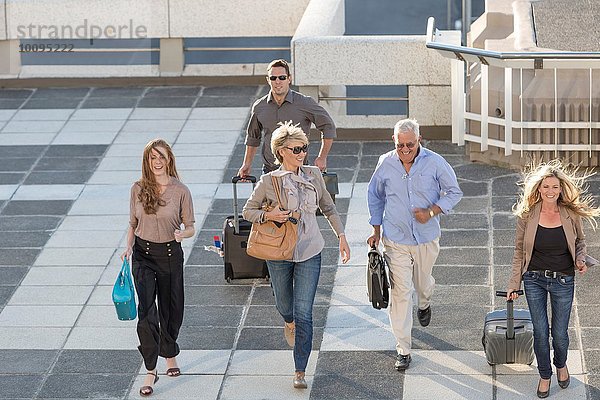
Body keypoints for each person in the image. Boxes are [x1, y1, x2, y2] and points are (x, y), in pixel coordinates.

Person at [243, 121, 350, 389]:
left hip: (310, 250)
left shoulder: (314, 175)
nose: (302, 153)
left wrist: (342, 236)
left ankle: (300, 369)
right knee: (285, 306)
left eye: (304, 148)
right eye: (296, 149)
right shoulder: (269, 181)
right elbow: (248, 211)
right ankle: (287, 322)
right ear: (281, 152)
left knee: (305, 311)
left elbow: (328, 207)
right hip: (279, 253)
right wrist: (270, 215)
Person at [366, 118, 462, 371]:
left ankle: (425, 303)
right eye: (400, 145)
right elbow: (375, 195)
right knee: (400, 293)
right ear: (394, 142)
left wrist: (431, 211)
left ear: (419, 140)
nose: (405, 150)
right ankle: (403, 349)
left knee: (423, 284)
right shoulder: (385, 163)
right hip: (395, 239)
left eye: (410, 144)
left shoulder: (435, 162)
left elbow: (454, 192)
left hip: (426, 238)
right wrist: (375, 230)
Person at [506, 159, 599, 398]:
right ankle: (545, 374)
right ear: (538, 189)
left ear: (561, 189)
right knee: (539, 331)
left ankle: (561, 363)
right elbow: (519, 251)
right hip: (534, 278)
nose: (550, 191)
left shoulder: (569, 213)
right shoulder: (527, 215)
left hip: (564, 280)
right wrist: (514, 284)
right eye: (546, 186)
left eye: (555, 187)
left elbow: (580, 242)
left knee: (559, 333)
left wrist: (580, 259)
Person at [120, 139, 195, 397]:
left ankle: (170, 352)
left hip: (171, 254)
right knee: (147, 311)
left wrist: (182, 234)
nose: (158, 162)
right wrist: (128, 247)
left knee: (172, 310)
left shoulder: (181, 190)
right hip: (142, 255)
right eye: (153, 157)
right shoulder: (138, 188)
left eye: (161, 156)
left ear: (169, 159)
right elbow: (132, 223)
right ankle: (150, 368)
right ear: (147, 161)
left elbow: (191, 226)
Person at [237, 59, 336, 176]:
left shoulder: (305, 103)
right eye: (273, 78)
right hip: (270, 172)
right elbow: (253, 137)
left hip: (298, 172)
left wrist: (322, 157)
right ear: (268, 80)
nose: (278, 81)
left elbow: (328, 126)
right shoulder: (260, 106)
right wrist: (247, 164)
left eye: (282, 77)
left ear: (289, 78)